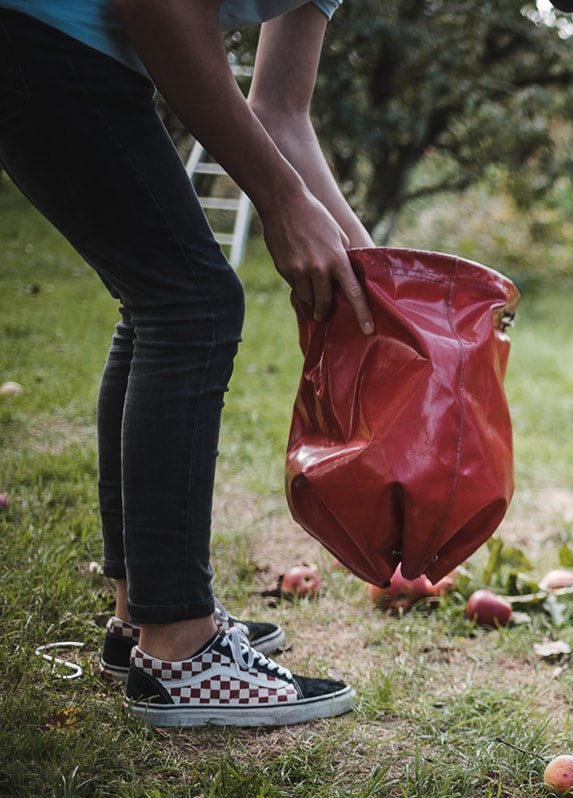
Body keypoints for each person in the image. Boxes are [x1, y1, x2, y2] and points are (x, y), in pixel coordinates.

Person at [0, 0, 375, 726]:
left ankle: (141, 619)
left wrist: (376, 273)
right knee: (192, 302)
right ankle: (180, 648)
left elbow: (280, 110)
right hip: (38, 33)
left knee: (164, 298)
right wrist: (277, 199)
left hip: (80, 53)